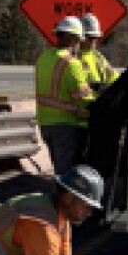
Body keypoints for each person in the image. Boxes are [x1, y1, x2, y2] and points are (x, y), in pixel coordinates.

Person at [35, 16, 95, 173]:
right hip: (65, 125)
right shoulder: (71, 64)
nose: (78, 44)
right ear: (72, 39)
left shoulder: (44, 58)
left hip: (44, 122)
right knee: (67, 174)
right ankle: (65, 197)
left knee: (59, 170)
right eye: (78, 40)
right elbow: (84, 100)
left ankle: (61, 195)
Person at [79, 13, 119, 92]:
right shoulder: (73, 57)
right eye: (90, 38)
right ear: (80, 37)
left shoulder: (97, 56)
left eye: (95, 37)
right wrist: (95, 86)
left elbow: (113, 76)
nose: (93, 41)